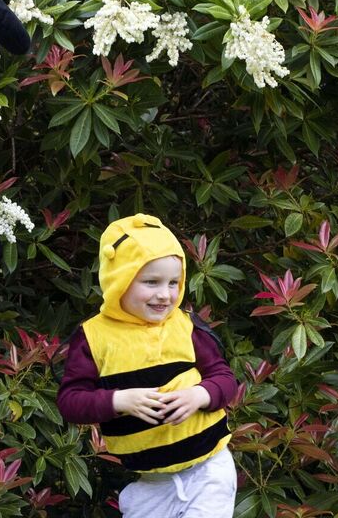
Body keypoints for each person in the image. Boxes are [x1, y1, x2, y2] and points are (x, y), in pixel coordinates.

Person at [56, 214, 238, 517]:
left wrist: (200, 395)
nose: (165, 295)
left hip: (210, 469)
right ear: (120, 281)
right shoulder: (94, 337)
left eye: (172, 283)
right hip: (151, 484)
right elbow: (70, 401)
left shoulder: (184, 325)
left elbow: (224, 378)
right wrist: (118, 400)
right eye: (151, 282)